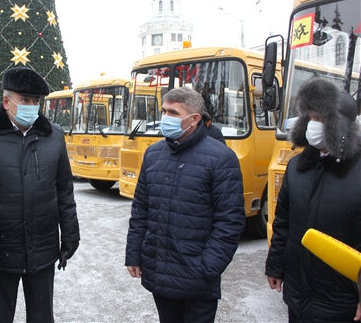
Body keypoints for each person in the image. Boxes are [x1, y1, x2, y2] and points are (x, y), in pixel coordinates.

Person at [0, 67, 80, 323]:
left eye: (35, 101)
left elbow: (63, 189)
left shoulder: (54, 136)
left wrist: (70, 235)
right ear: (7, 101)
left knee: (41, 317)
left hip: (42, 248)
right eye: (24, 100)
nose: (31, 106)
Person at [125, 86, 245, 323]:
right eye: (163, 111)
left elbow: (229, 221)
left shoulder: (221, 158)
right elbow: (141, 210)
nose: (165, 118)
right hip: (160, 273)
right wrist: (134, 255)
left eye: (173, 113)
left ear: (194, 119)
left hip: (198, 279)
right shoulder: (153, 154)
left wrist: (207, 268)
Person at [265, 77, 361, 322]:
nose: (311, 125)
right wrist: (275, 265)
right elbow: (283, 221)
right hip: (298, 294)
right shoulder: (297, 165)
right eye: (309, 117)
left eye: (318, 119)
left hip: (341, 301)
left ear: (337, 124)